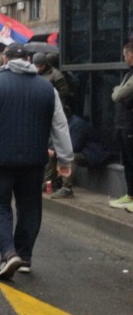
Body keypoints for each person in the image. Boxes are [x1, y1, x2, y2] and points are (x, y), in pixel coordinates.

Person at [0, 43, 73, 279]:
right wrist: (64, 158)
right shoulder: (47, 89)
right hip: (33, 162)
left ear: (5, 59)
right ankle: (25, 256)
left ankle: (9, 253)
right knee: (30, 207)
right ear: (29, 59)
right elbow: (60, 126)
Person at [44, 107, 111, 199]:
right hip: (82, 151)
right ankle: (48, 182)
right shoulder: (62, 125)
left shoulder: (77, 125)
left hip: (92, 153)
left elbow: (74, 147)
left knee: (70, 157)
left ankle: (67, 189)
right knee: (53, 154)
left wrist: (55, 152)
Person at [108, 41, 133, 209]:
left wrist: (118, 91)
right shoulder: (128, 74)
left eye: (125, 54)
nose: (124, 58)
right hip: (125, 124)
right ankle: (130, 195)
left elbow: (118, 94)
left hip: (131, 124)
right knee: (128, 161)